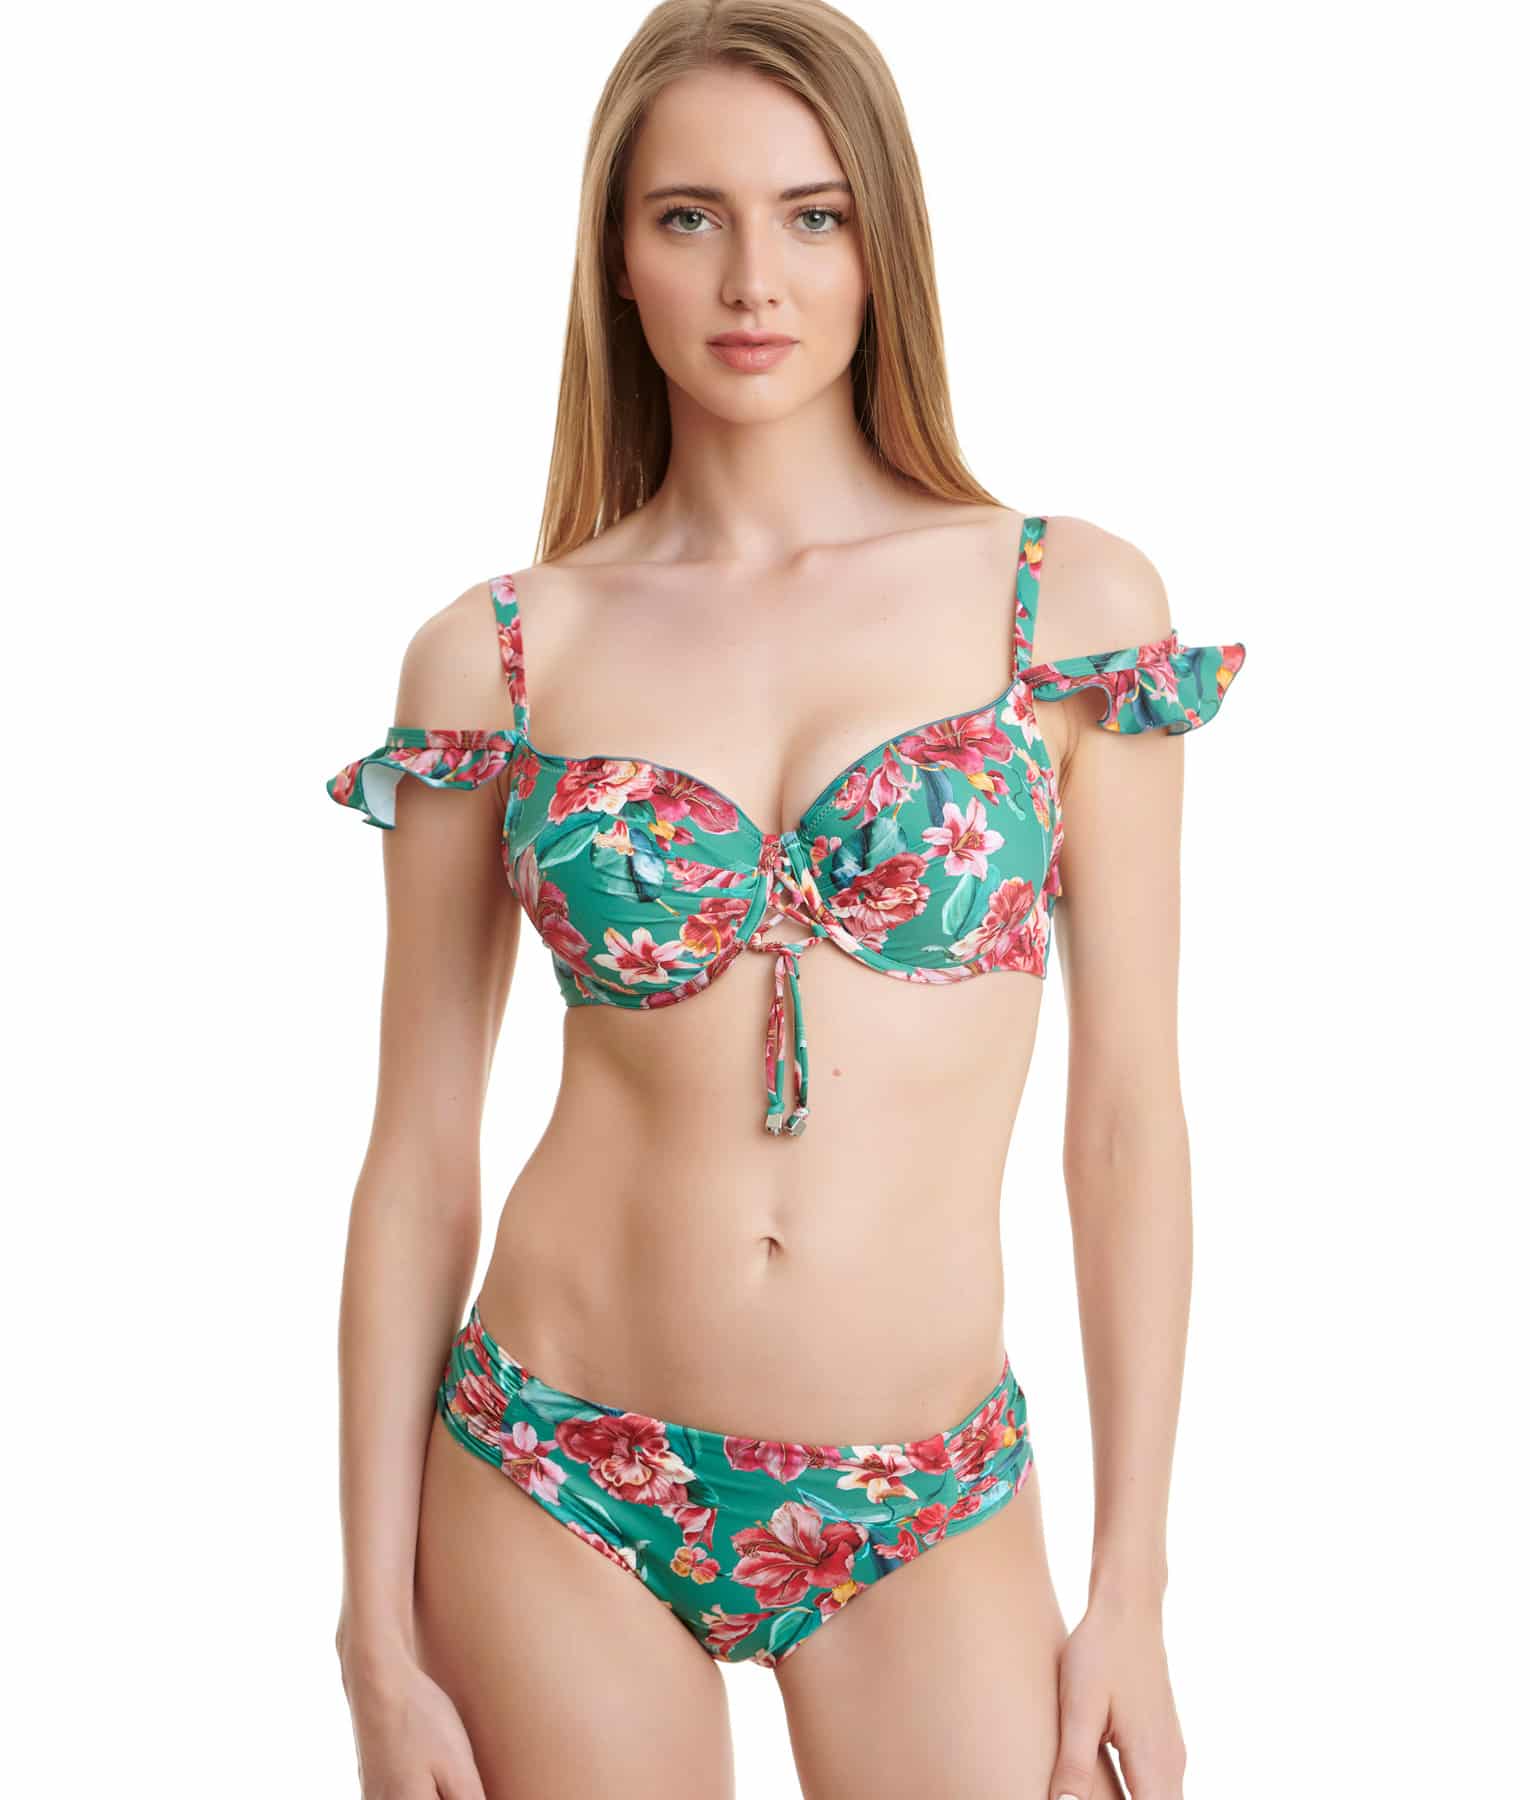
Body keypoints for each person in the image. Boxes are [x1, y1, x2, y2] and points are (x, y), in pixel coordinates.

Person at [324, 4, 1245, 1795]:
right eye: (690, 217)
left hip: (925, 1489)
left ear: (881, 242)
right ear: (616, 255)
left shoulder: (1061, 611)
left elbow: (1127, 1121)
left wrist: (1130, 1584)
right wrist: (370, 1630)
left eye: (811, 216)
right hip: (553, 1466)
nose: (753, 279)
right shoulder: (500, 654)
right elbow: (417, 1154)